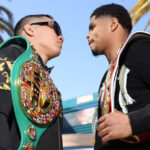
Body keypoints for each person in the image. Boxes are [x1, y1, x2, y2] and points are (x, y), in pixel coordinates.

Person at [86, 3, 150, 150]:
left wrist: (133, 122)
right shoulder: (106, 78)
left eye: (92, 27)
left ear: (113, 24)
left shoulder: (140, 49)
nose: (87, 34)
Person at [0, 14, 64, 150]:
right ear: (30, 29)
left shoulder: (50, 83)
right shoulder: (11, 56)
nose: (61, 37)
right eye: (55, 28)